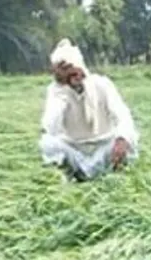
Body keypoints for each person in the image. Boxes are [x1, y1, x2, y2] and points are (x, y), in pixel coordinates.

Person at [38, 39, 139, 182]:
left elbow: (123, 115)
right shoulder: (57, 91)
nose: (73, 76)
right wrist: (62, 92)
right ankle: (72, 177)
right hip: (74, 150)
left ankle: (114, 177)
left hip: (103, 147)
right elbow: (50, 127)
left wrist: (122, 139)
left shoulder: (102, 84)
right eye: (66, 72)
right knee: (47, 144)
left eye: (74, 69)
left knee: (131, 139)